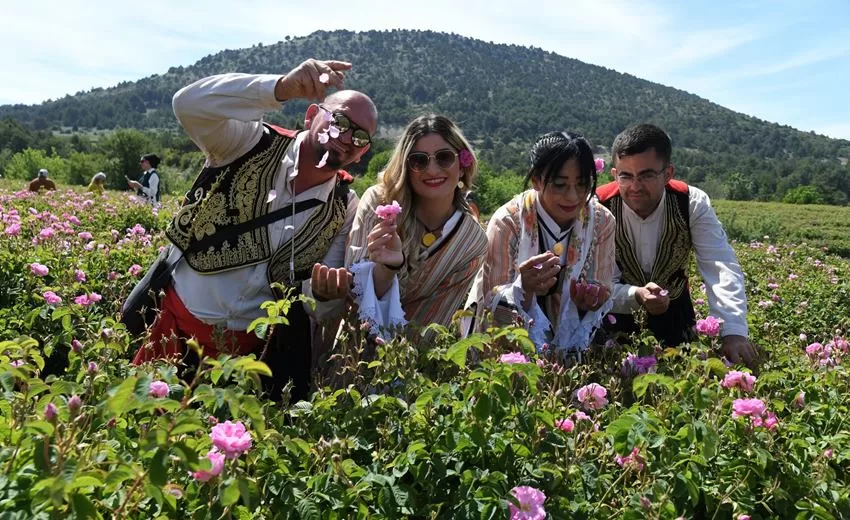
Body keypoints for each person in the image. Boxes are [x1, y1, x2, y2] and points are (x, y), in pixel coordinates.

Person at [129, 59, 377, 403]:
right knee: (136, 435)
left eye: (361, 136)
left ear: (363, 152)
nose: (347, 137)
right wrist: (280, 88)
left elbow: (314, 305)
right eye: (339, 120)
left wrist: (323, 293)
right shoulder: (248, 141)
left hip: (246, 364)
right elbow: (187, 104)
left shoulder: (345, 205)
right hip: (172, 329)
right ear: (310, 116)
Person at [597, 123, 758, 369]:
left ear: (668, 173)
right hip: (613, 316)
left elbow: (720, 264)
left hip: (676, 314)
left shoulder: (690, 202)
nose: (636, 187)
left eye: (647, 175)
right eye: (626, 176)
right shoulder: (598, 207)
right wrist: (635, 296)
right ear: (613, 174)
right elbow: (596, 280)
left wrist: (733, 330)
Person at [467, 131, 615, 360]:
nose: (573, 196)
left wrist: (592, 299)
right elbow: (492, 302)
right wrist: (523, 288)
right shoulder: (509, 222)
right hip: (509, 346)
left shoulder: (601, 222)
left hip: (572, 345)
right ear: (536, 179)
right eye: (559, 184)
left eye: (582, 184)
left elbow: (603, 286)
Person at [336, 115, 487, 339]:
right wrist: (386, 268)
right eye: (419, 160)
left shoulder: (471, 241)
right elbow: (354, 292)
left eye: (444, 158)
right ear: (406, 167)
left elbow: (436, 319)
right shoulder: (379, 203)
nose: (432, 170)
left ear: (463, 164)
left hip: (412, 362)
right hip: (353, 349)